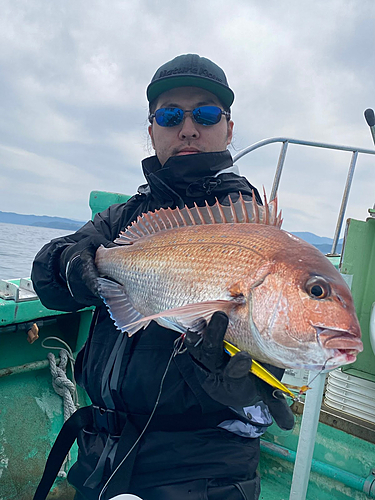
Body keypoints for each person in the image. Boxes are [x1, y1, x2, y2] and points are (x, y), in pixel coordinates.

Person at [31, 54, 294, 500]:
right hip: (100, 457)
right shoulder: (123, 220)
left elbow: (270, 366)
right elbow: (47, 278)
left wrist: (247, 384)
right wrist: (71, 262)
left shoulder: (253, 232)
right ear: (152, 130)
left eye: (206, 113)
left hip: (203, 471)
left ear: (228, 128)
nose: (188, 127)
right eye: (170, 115)